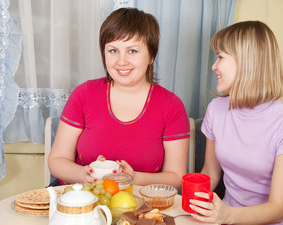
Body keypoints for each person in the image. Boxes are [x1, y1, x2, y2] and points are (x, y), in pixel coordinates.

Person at [189, 21, 283, 225]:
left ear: (246, 62)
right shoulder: (216, 110)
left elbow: (277, 209)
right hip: (229, 220)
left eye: (221, 57)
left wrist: (226, 214)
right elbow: (211, 173)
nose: (214, 66)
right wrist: (182, 203)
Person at [48, 8, 190, 190]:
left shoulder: (171, 105)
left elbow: (176, 177)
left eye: (132, 51)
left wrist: (134, 178)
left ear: (151, 56)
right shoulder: (84, 94)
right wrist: (84, 174)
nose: (121, 61)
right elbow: (57, 160)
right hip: (80, 196)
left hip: (141, 204)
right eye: (113, 50)